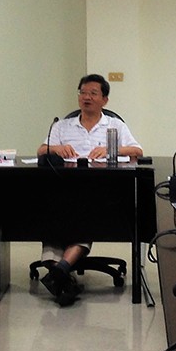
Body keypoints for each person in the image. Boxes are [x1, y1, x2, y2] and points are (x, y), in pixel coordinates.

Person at [35, 74, 142, 305]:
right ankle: (63, 276)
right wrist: (56, 148)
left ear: (105, 99)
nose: (87, 97)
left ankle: (60, 273)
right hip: (64, 189)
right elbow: (41, 150)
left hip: (100, 192)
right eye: (83, 92)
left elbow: (137, 151)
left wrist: (112, 150)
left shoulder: (114, 125)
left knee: (86, 215)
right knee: (50, 218)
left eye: (93, 93)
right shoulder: (62, 126)